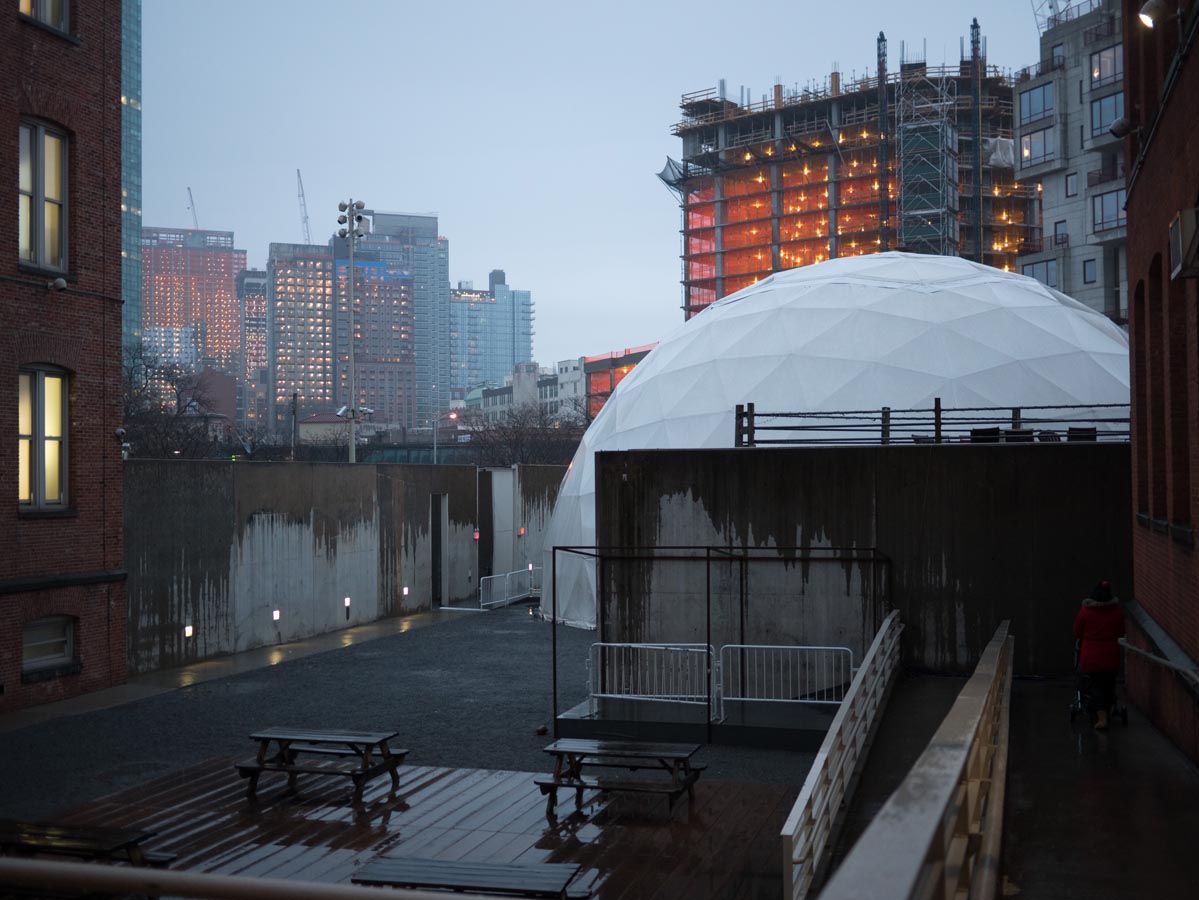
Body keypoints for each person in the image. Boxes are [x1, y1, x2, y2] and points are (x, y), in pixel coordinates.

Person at [1072, 580, 1125, 729]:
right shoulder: (1117, 612)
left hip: (1091, 658)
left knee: (1095, 685)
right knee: (1109, 683)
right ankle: (1108, 709)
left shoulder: (1086, 612)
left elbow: (1077, 631)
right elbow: (1121, 631)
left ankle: (1102, 717)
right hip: (1111, 656)